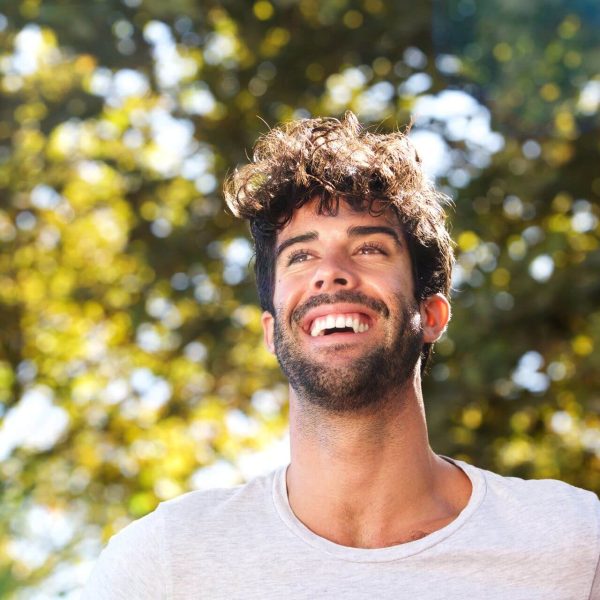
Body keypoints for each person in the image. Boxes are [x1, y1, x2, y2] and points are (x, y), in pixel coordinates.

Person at [83, 112, 600, 599]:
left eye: (370, 248)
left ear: (434, 316)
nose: (330, 271)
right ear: (272, 330)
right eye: (300, 255)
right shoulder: (167, 563)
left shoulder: (575, 545)